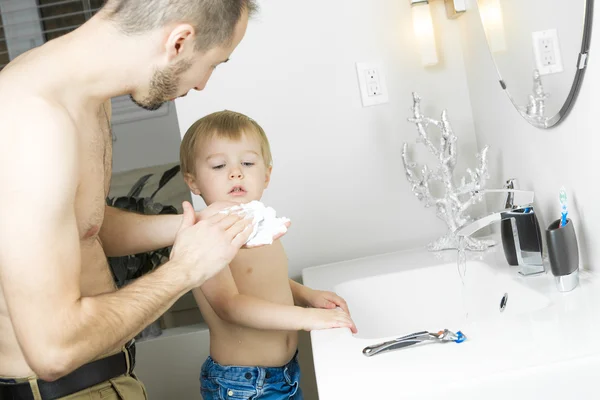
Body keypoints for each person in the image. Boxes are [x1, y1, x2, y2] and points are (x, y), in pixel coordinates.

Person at [0, 1, 272, 399]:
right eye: (213, 63)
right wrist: (185, 270)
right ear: (179, 42)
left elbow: (85, 225)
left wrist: (198, 225)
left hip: (108, 379)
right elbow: (53, 350)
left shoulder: (88, 97)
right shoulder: (28, 119)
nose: (202, 85)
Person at [180, 110, 357, 400]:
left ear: (266, 175)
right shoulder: (206, 234)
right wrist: (306, 317)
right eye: (219, 165)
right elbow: (230, 305)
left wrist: (306, 295)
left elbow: (268, 282)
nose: (235, 172)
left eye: (247, 163)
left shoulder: (260, 224)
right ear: (194, 182)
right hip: (242, 384)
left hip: (283, 375)